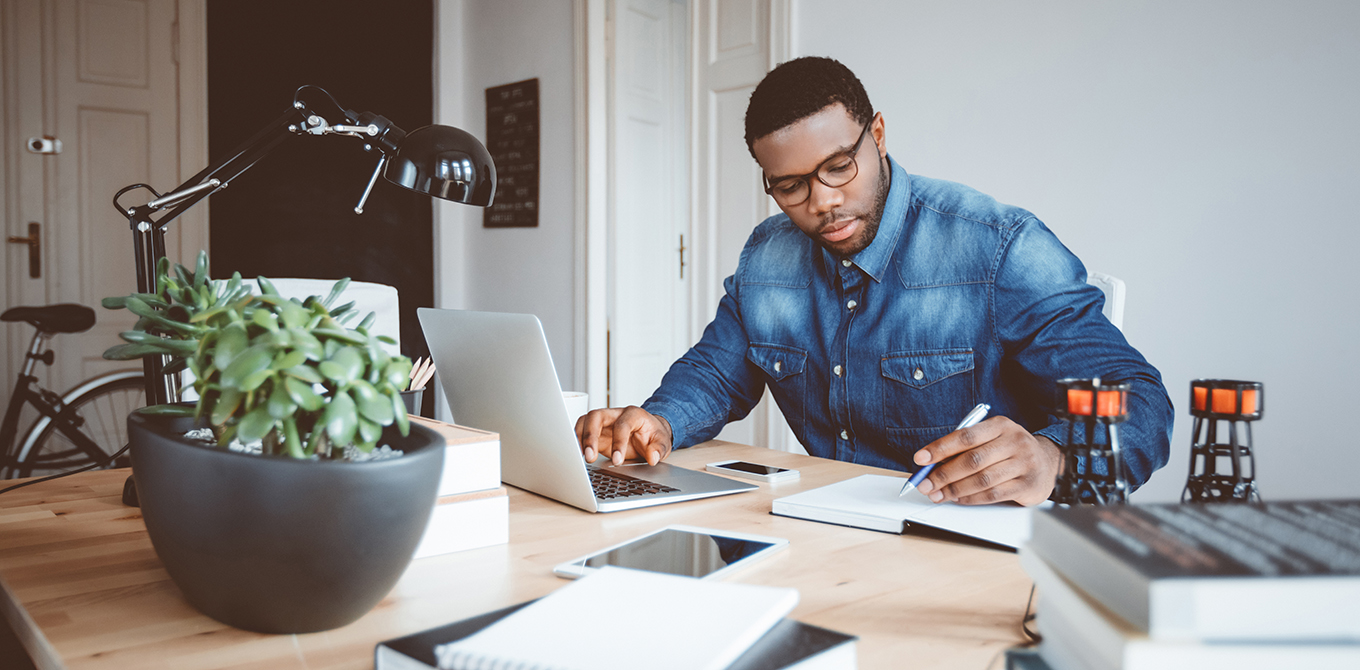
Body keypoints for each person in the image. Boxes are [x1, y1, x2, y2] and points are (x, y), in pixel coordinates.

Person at [576, 57, 1172, 506]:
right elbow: (715, 373)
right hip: (827, 528)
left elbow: (1141, 401)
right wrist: (658, 421)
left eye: (840, 167)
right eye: (791, 187)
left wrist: (1052, 458)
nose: (825, 202)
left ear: (878, 135)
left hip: (970, 543)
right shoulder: (767, 257)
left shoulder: (997, 246)